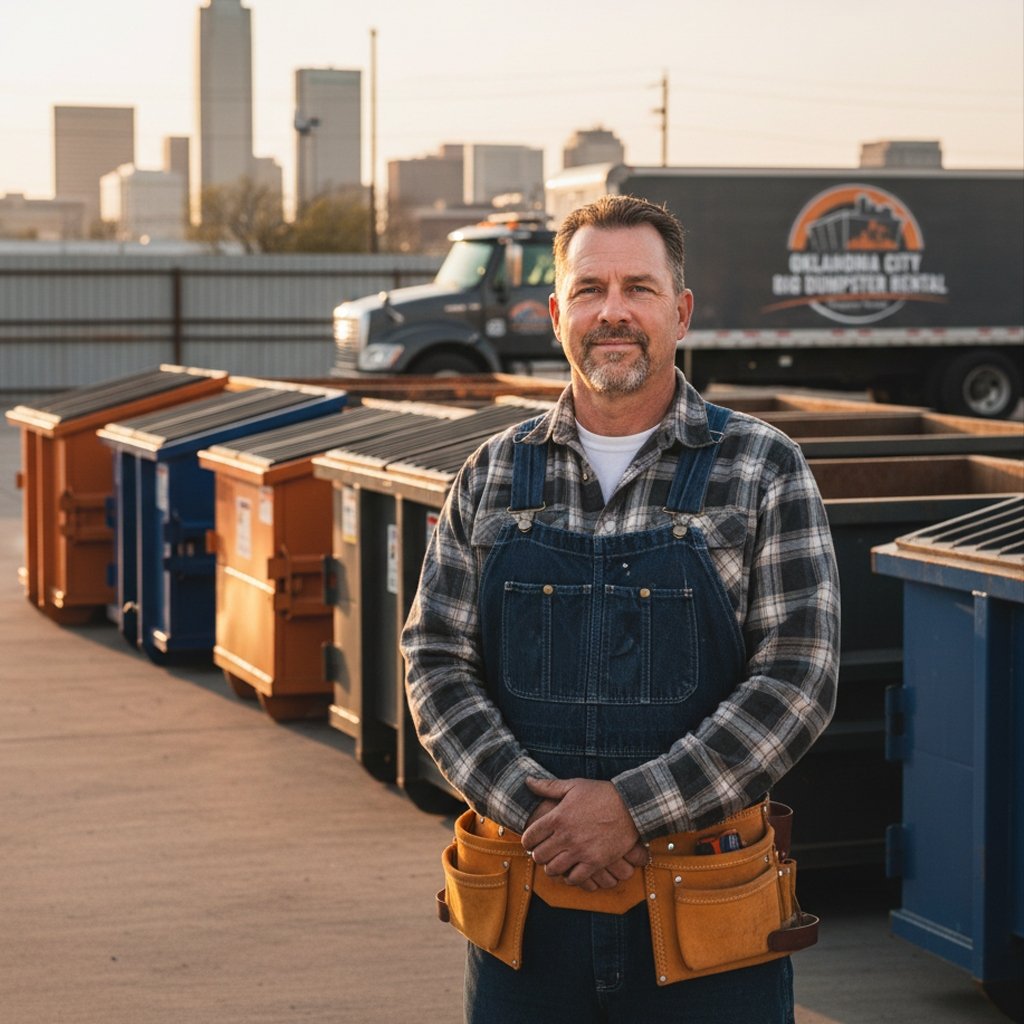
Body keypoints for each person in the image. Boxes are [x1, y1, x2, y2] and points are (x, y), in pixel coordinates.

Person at [401, 194, 840, 1023]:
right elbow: (434, 663)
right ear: (556, 312)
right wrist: (546, 820)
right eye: (590, 289)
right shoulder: (491, 474)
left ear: (680, 313)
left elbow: (797, 681)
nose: (613, 312)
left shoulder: (762, 468)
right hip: (529, 915)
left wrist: (633, 810)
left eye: (638, 288)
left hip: (708, 917)